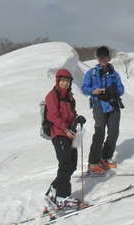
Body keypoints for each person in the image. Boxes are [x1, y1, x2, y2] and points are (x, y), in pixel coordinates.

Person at [44, 69, 86, 209]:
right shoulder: (52, 96)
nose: (65, 83)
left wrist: (77, 119)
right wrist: (65, 129)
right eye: (62, 80)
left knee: (72, 165)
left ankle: (63, 195)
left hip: (70, 133)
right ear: (57, 81)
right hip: (58, 133)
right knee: (65, 163)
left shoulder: (70, 97)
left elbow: (72, 114)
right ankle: (54, 193)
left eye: (67, 81)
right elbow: (53, 116)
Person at [82, 46, 125, 175]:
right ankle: (93, 162)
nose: (103, 60)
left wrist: (114, 91)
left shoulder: (114, 74)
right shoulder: (92, 73)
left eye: (105, 57)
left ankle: (105, 158)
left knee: (113, 133)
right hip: (98, 105)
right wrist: (93, 91)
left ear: (108, 58)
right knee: (99, 132)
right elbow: (84, 88)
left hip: (113, 105)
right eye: (100, 57)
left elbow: (121, 89)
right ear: (98, 58)